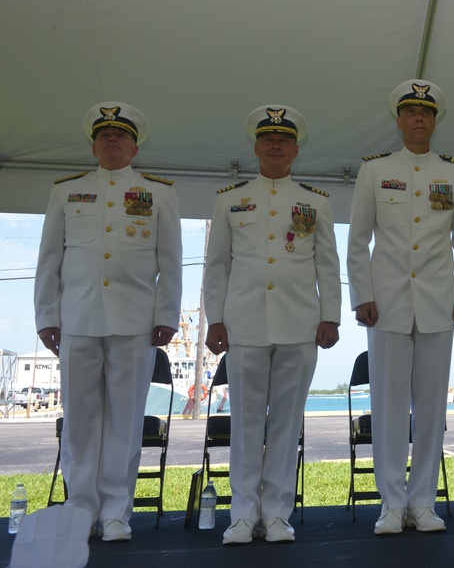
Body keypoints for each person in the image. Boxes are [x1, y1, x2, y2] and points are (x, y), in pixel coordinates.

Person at [34, 102, 182, 541]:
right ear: (95, 146)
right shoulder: (66, 191)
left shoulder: (159, 193)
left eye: (120, 136)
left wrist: (167, 315)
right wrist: (47, 316)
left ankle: (117, 510)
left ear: (135, 147)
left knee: (125, 419)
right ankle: (81, 506)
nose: (111, 141)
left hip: (135, 322)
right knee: (80, 420)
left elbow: (170, 261)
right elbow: (49, 260)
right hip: (77, 319)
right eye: (104, 136)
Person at [203, 105, 341, 544]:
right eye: (268, 140)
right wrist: (216, 318)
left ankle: (278, 512)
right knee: (244, 423)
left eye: (283, 140)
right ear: (257, 147)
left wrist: (331, 315)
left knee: (286, 422)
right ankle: (242, 514)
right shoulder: (230, 199)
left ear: (296, 150)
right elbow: (217, 264)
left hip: (301, 323)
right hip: (244, 324)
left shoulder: (315, 201)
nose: (275, 146)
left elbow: (328, 265)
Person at [347, 80, 454, 535]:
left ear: (435, 121)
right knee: (387, 406)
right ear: (399, 120)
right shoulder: (375, 171)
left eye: (426, 112)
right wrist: (362, 293)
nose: (419, 118)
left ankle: (423, 502)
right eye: (411, 112)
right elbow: (358, 239)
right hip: (385, 305)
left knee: (430, 410)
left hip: (440, 302)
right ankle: (390, 503)